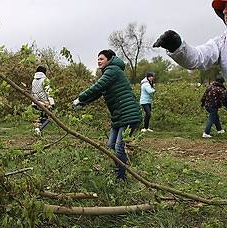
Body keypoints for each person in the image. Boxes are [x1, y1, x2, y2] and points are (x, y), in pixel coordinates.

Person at [73, 49, 142, 181]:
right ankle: (119, 172)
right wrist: (82, 103)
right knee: (111, 146)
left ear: (109, 60)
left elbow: (97, 87)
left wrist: (80, 97)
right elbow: (98, 93)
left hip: (128, 114)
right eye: (98, 59)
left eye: (102, 59)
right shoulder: (109, 72)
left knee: (119, 147)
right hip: (118, 115)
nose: (99, 61)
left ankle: (121, 178)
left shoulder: (113, 70)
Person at [153, 0, 227, 79]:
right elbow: (198, 58)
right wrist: (176, 47)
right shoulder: (221, 42)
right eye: (224, 7)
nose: (224, 11)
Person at [31, 65, 55, 134]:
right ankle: (39, 129)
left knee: (40, 118)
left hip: (35, 102)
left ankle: (37, 130)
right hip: (44, 103)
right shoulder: (45, 80)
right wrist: (52, 103)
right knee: (48, 118)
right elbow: (48, 92)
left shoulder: (34, 80)